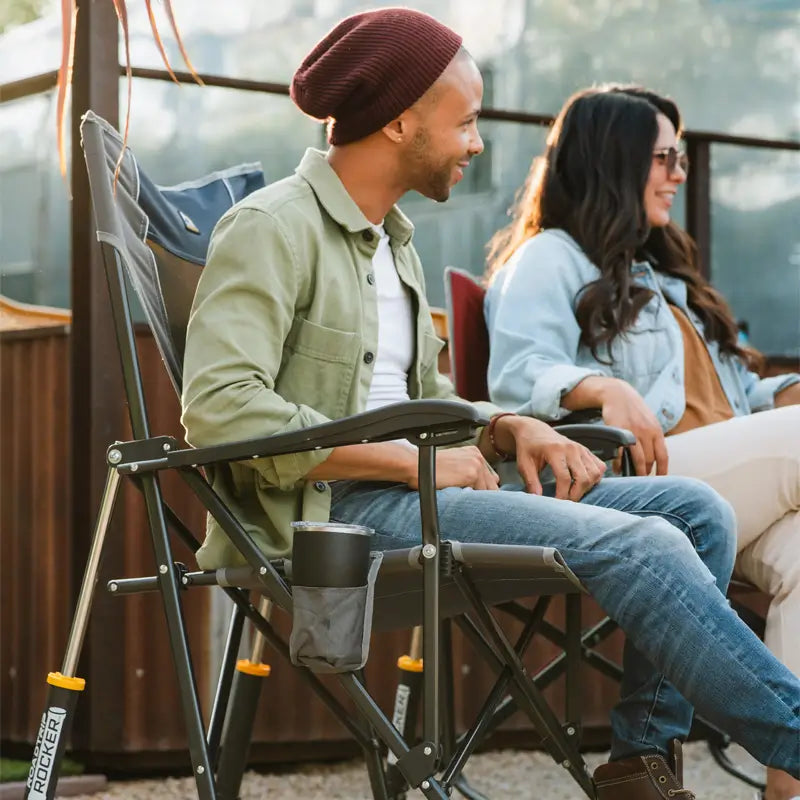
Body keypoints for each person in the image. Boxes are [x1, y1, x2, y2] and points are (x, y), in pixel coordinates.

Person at [181, 11, 800, 799]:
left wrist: (508, 426)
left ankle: (641, 765)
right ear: (401, 120)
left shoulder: (391, 242)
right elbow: (222, 412)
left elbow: (426, 399)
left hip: (419, 489)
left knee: (696, 511)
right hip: (332, 513)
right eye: (466, 122)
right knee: (645, 546)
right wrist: (411, 464)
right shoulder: (272, 227)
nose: (477, 144)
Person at [484, 83, 800, 800]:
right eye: (664, 157)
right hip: (638, 484)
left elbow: (737, 402)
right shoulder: (551, 259)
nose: (680, 173)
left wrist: (782, 395)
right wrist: (598, 388)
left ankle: (790, 787)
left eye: (681, 157)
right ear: (614, 162)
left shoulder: (668, 278)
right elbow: (517, 375)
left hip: (728, 481)